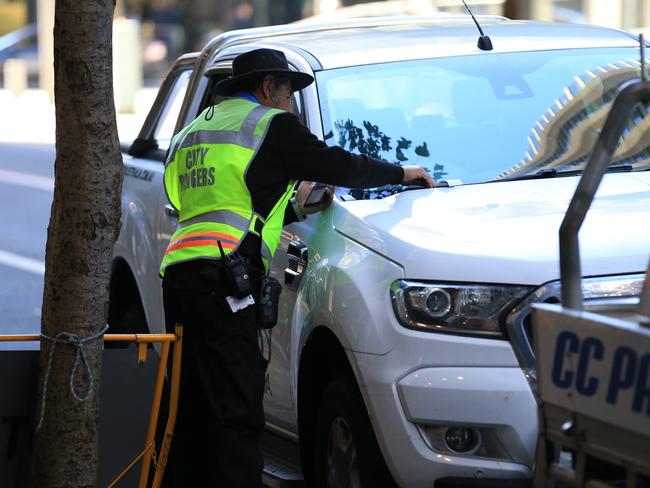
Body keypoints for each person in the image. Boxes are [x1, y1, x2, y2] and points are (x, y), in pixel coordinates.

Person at [160, 48, 434, 487]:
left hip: (180, 277)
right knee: (236, 410)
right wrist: (404, 172)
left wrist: (289, 209)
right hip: (225, 282)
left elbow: (211, 203)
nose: (290, 105)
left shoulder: (193, 132)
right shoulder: (270, 125)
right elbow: (339, 164)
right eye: (288, 94)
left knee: (189, 408)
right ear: (269, 87)